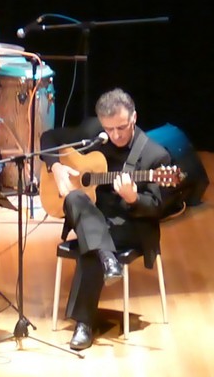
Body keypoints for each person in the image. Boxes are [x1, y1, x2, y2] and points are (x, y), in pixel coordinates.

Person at [39, 88, 171, 350]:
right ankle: (107, 258)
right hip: (93, 216)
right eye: (110, 129)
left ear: (134, 118)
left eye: (122, 127)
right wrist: (56, 166)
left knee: (92, 244)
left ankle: (84, 325)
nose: (116, 135)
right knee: (74, 198)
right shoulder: (93, 133)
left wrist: (133, 198)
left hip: (130, 225)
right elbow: (49, 137)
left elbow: (156, 208)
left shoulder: (155, 155)